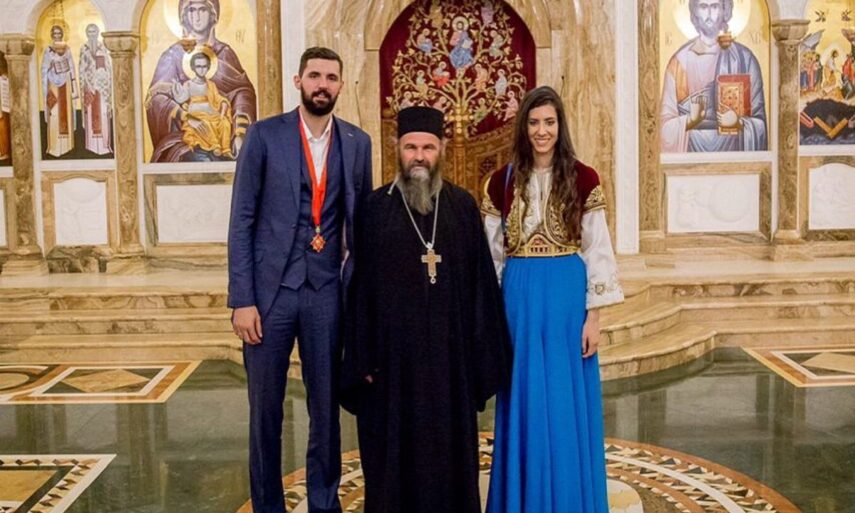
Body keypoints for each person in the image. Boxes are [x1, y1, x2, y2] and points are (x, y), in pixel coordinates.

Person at [341, 106, 510, 513]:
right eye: (411, 147)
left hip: (450, 368)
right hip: (391, 369)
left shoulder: (462, 207)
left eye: (428, 148)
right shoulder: (375, 209)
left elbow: (481, 288)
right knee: (392, 464)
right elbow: (360, 291)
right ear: (397, 149)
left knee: (450, 464)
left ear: (442, 149)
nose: (419, 156)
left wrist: (479, 362)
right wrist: (362, 357)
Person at [228, 47, 372, 513]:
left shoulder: (357, 142)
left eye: (331, 77)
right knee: (265, 411)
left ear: (341, 85)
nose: (322, 85)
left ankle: (324, 503)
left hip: (326, 293)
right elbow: (241, 220)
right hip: (269, 296)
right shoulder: (264, 136)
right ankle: (268, 505)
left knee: (325, 409)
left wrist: (361, 298)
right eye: (314, 76)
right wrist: (242, 299)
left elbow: (362, 225)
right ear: (298, 81)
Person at [483, 86, 624, 513]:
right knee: (523, 398)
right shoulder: (501, 182)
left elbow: (597, 250)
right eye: (533, 122)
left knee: (564, 402)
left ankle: (568, 500)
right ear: (523, 128)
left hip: (566, 300)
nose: (541, 131)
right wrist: (492, 317)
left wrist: (593, 318)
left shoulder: (584, 178)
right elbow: (491, 255)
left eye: (549, 122)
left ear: (560, 126)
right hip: (519, 302)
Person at [146, 0, 256, 162]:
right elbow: (155, 98)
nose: (197, 16)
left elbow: (243, 92)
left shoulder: (225, 53)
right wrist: (186, 116)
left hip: (220, 129)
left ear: (213, 15)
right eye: (192, 10)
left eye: (202, 10)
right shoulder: (172, 56)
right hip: (185, 135)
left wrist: (240, 132)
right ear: (183, 16)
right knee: (197, 158)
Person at [660, 0, 767, 152]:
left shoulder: (745, 59)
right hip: (690, 160)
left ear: (725, 10)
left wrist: (739, 123)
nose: (709, 13)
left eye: (715, 6)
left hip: (735, 160)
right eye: (704, 6)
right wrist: (689, 121)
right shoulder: (679, 62)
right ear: (694, 11)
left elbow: (761, 125)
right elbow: (662, 128)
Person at [172, 52, 234, 159]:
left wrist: (223, 103)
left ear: (208, 67)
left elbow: (217, 98)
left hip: (211, 112)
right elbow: (182, 98)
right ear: (193, 68)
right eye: (198, 66)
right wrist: (177, 92)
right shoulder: (188, 84)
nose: (201, 69)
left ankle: (225, 149)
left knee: (225, 122)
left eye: (204, 66)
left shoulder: (211, 85)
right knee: (205, 124)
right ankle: (215, 146)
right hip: (196, 113)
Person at [41, 25, 77, 158]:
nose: (57, 35)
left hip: (65, 85)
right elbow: (43, 69)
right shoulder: (48, 50)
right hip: (53, 86)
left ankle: (67, 146)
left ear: (62, 34)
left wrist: (73, 83)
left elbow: (72, 67)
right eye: (55, 33)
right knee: (54, 113)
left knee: (65, 112)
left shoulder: (67, 49)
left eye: (59, 33)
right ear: (52, 35)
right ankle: (55, 147)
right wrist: (50, 66)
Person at [78, 24, 113, 155]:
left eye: (94, 31)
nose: (91, 34)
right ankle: (91, 146)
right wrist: (85, 84)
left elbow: (108, 66)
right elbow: (81, 68)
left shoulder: (103, 47)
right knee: (90, 116)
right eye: (89, 32)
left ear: (97, 33)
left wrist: (105, 80)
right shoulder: (84, 48)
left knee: (103, 114)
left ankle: (104, 146)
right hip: (89, 87)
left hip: (102, 88)